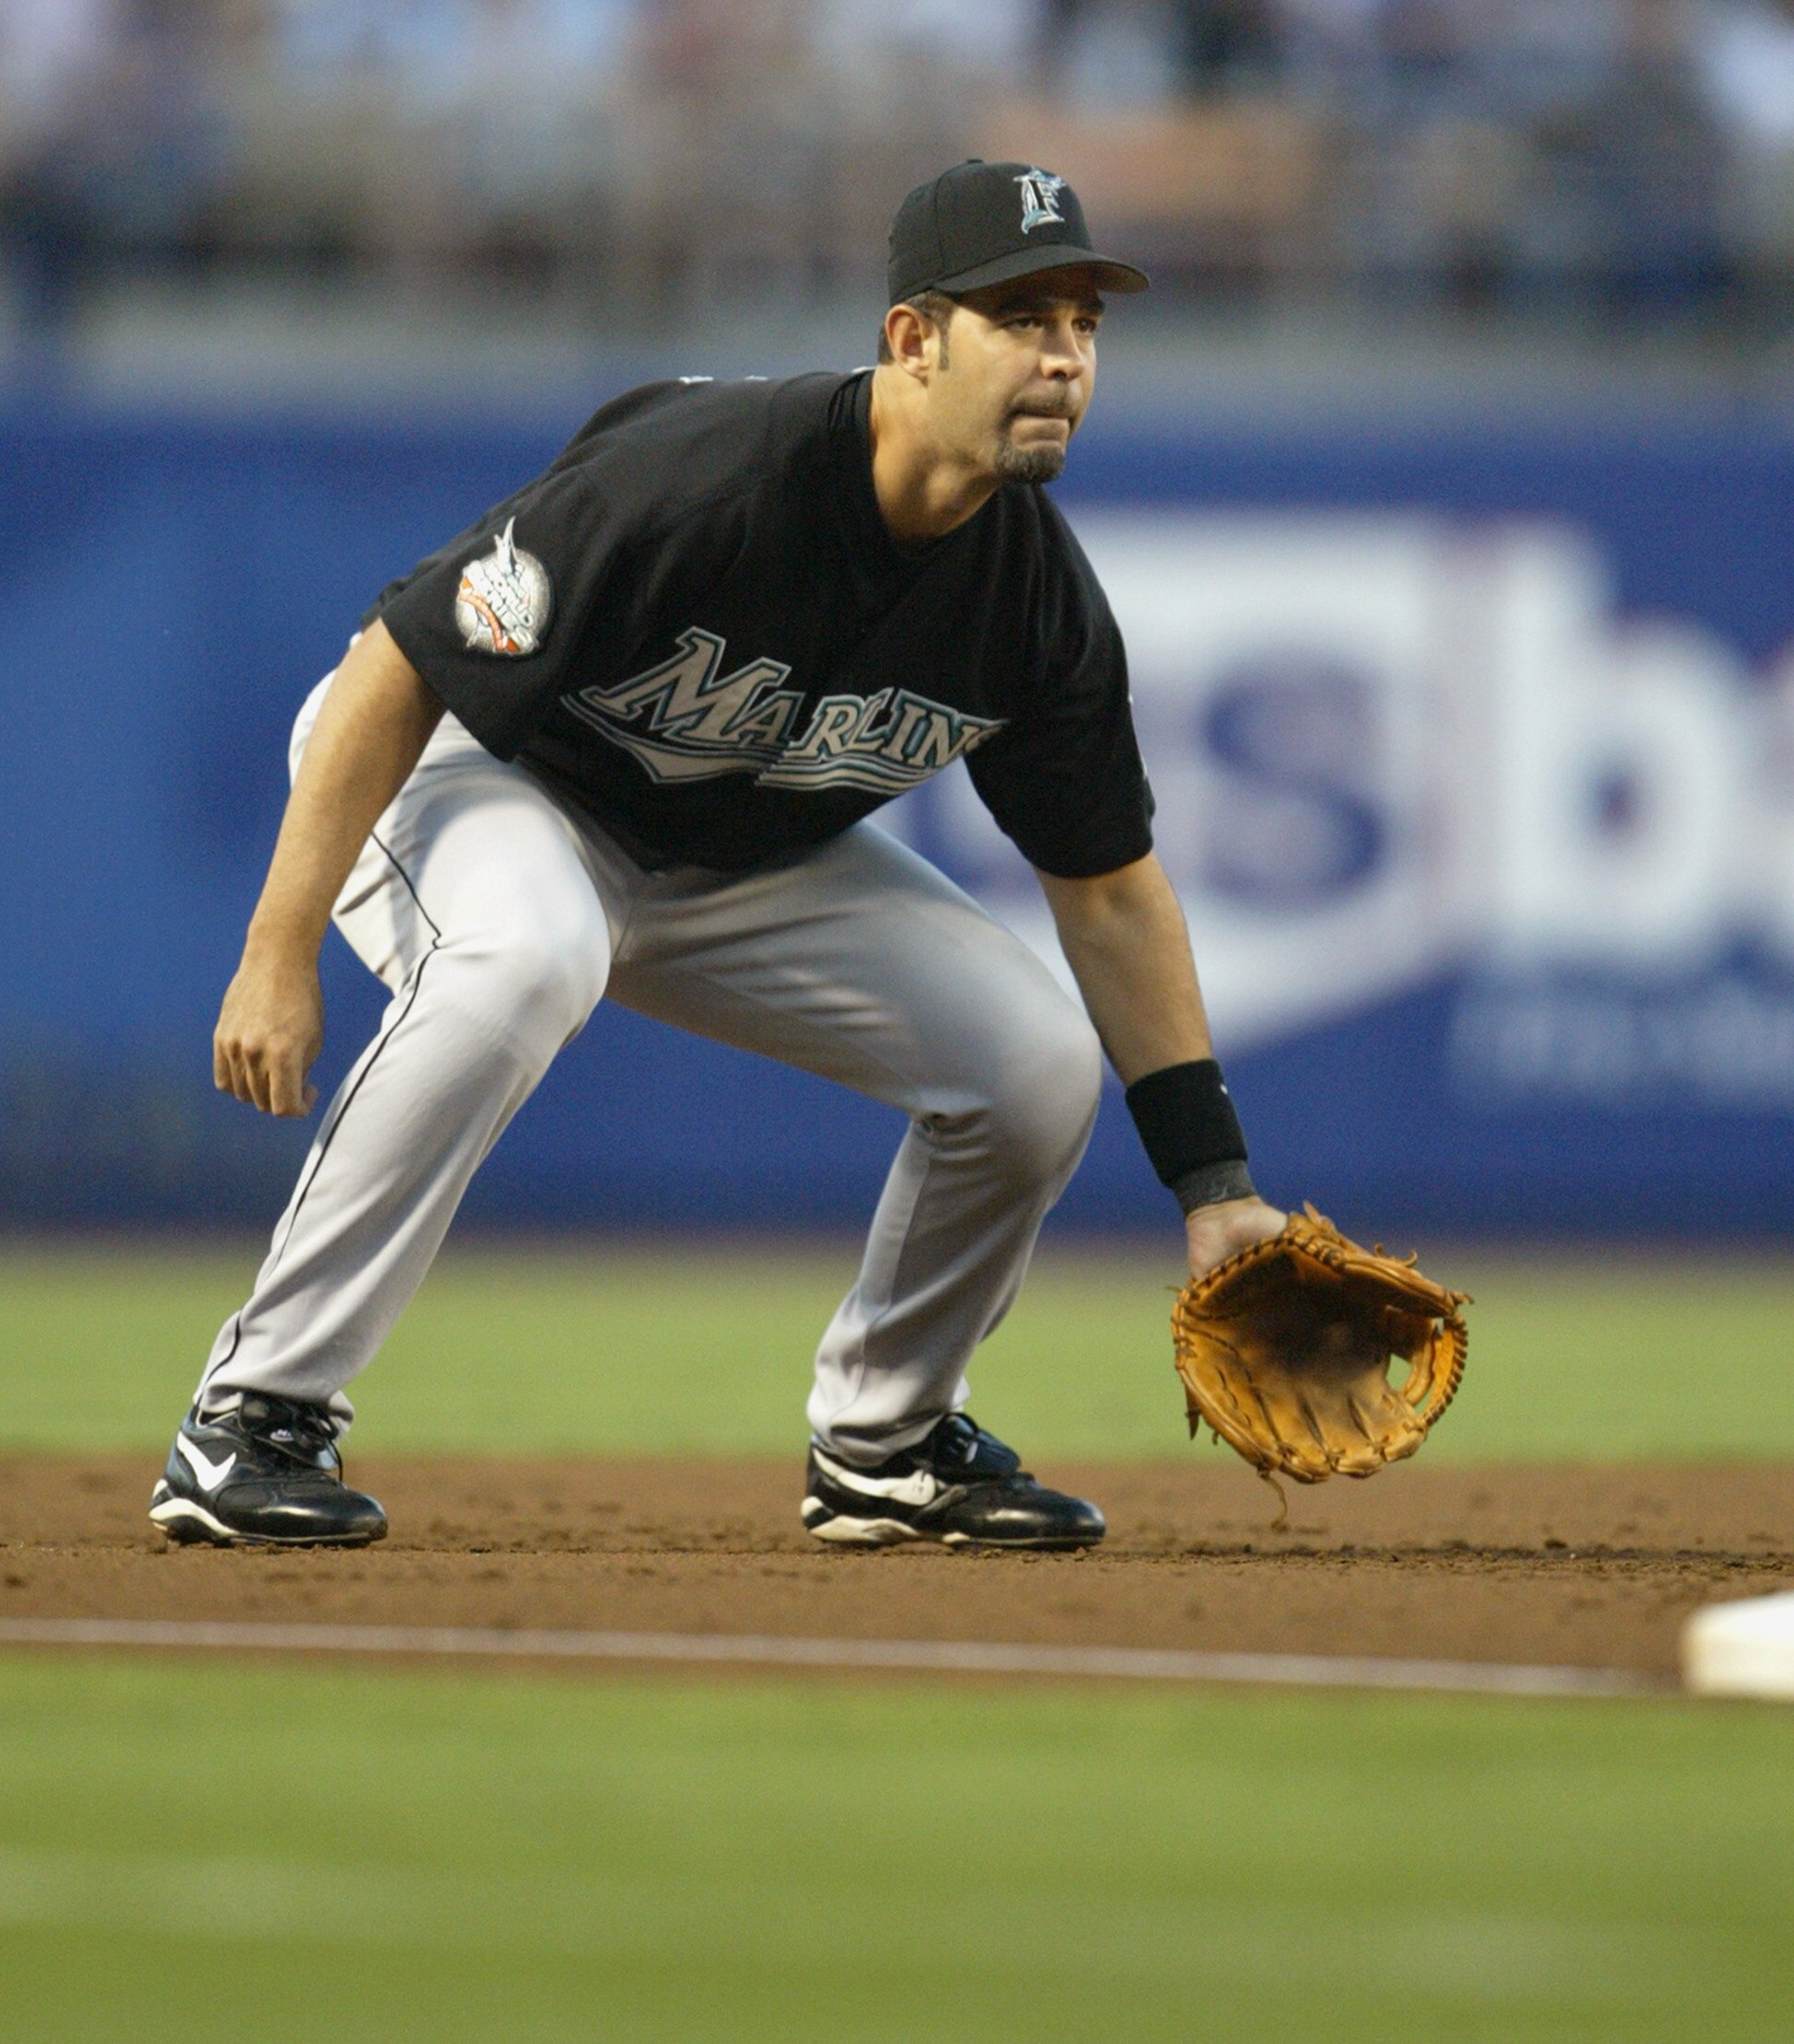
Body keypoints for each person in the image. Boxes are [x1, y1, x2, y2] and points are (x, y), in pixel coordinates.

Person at [151, 160, 1284, 1552]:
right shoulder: (708, 478)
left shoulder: (1033, 599)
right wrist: (279, 947)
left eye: (1085, 325)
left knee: (1037, 1064)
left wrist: (1216, 1190)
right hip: (481, 769)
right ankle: (253, 1412)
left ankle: (890, 1437)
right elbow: (400, 663)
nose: (1063, 355)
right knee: (527, 953)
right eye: (1024, 315)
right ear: (913, 339)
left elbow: (1109, 892)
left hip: (720, 847)